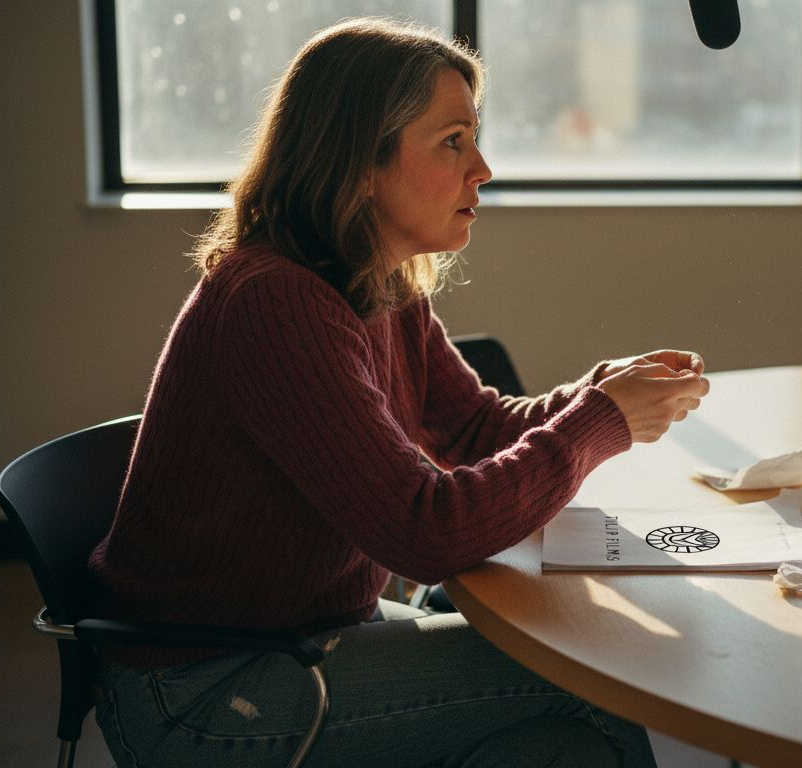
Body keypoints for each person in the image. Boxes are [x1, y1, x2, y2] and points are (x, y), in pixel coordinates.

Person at [87, 17, 709, 768]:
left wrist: (598, 393)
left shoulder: (376, 278)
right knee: (592, 674)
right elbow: (424, 532)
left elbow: (476, 427)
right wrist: (597, 424)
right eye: (453, 141)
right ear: (361, 164)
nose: (482, 167)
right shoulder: (275, 301)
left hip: (310, 632)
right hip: (203, 688)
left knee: (570, 742)